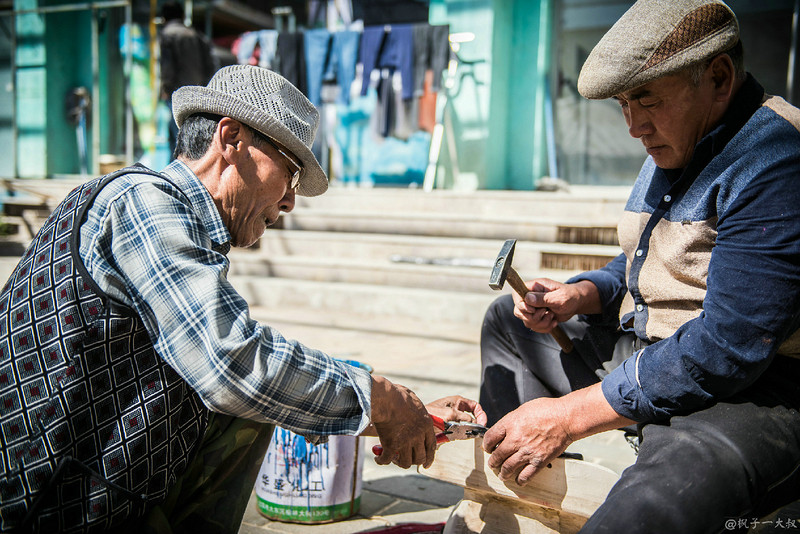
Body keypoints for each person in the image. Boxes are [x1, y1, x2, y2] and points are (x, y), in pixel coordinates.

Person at [0, 65, 485, 533]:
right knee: (243, 395)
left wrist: (400, 415)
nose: (292, 200)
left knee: (254, 403)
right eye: (290, 171)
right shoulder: (144, 205)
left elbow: (247, 369)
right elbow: (232, 363)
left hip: (88, 482)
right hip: (45, 505)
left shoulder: (173, 221)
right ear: (231, 140)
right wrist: (380, 398)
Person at [478, 1, 800, 532]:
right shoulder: (679, 136)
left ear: (718, 77)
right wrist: (585, 292)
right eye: (624, 104)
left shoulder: (776, 158)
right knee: (506, 321)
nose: (633, 126)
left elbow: (728, 348)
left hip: (748, 395)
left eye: (646, 99)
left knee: (638, 517)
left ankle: (586, 460)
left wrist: (571, 415)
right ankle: (531, 481)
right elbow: (644, 256)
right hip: (650, 350)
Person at [159, 0, 216, 156]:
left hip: (176, 93)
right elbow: (210, 65)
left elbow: (167, 67)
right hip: (197, 93)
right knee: (193, 135)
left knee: (175, 136)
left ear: (163, 18)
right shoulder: (196, 35)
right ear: (183, 15)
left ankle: (175, 171)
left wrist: (164, 87)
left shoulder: (167, 35)